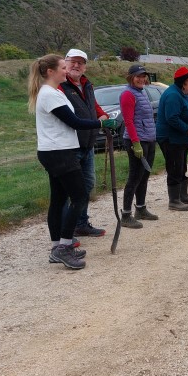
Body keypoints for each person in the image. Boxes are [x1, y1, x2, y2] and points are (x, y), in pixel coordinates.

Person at [27, 54, 119, 269]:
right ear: (50, 71)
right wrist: (102, 123)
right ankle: (64, 246)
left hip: (57, 151)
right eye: (62, 67)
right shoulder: (49, 94)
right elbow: (74, 121)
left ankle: (57, 246)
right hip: (60, 153)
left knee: (59, 200)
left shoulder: (52, 92)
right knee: (79, 196)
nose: (65, 70)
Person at [59, 48, 109, 237]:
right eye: (73, 61)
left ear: (85, 66)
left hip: (87, 144)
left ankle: (81, 223)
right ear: (65, 62)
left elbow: (93, 106)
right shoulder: (61, 85)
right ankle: (65, 230)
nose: (76, 65)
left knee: (87, 185)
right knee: (67, 190)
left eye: (81, 62)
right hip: (69, 145)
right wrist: (99, 120)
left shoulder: (86, 84)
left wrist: (101, 115)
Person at [156, 66, 188, 211]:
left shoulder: (182, 93)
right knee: (175, 167)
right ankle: (174, 200)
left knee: (181, 166)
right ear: (183, 82)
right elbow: (172, 118)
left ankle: (183, 195)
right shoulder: (173, 95)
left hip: (181, 139)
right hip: (171, 138)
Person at [119, 63, 158, 227]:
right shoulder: (128, 94)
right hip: (137, 141)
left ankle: (140, 209)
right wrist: (136, 143)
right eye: (138, 76)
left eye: (143, 76)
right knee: (134, 177)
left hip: (148, 139)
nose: (141, 79)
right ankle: (126, 215)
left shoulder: (142, 92)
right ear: (131, 77)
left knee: (144, 176)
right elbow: (128, 121)